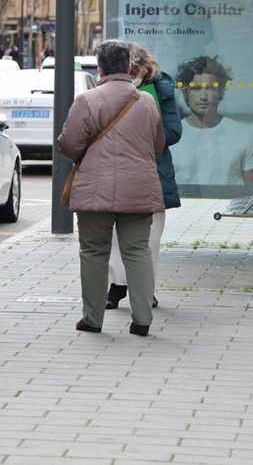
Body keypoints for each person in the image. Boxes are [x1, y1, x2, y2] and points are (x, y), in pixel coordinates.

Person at [57, 39, 164, 336]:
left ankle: (93, 318)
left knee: (93, 252)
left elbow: (68, 143)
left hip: (95, 189)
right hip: (139, 188)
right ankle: (142, 319)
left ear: (100, 67)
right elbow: (157, 145)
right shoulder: (147, 101)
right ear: (129, 67)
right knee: (137, 251)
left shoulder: (87, 100)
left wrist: (85, 156)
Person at [107, 42, 181, 311]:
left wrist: (140, 134)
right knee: (116, 230)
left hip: (153, 168)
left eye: (129, 69)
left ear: (140, 68)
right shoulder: (108, 89)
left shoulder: (160, 90)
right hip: (117, 169)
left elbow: (174, 132)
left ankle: (145, 288)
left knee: (150, 237)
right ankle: (117, 285)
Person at [170, 55, 253, 188]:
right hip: (183, 208)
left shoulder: (244, 135)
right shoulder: (171, 136)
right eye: (196, 89)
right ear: (186, 92)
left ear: (220, 91)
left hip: (229, 208)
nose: (203, 97)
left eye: (210, 88)